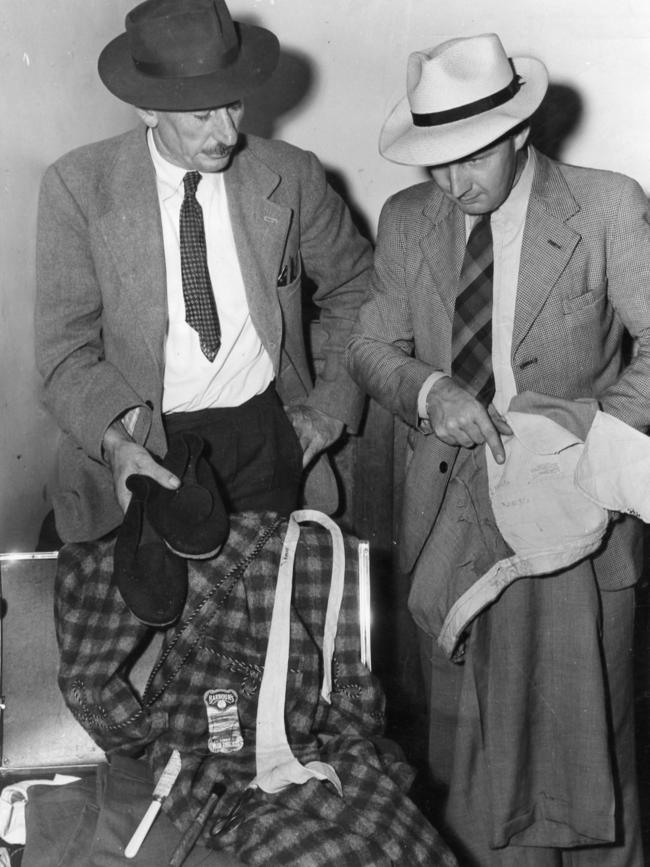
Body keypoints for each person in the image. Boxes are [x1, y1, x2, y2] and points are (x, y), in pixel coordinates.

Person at [347, 33, 650, 866]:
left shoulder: (607, 206)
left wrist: (589, 440)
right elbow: (371, 346)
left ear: (520, 130)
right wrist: (427, 390)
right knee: (472, 756)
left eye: (472, 156)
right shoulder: (408, 221)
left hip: (579, 530)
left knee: (596, 759)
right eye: (437, 161)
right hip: (456, 525)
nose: (454, 182)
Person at [35, 0, 372, 545]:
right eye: (202, 115)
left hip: (267, 429)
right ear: (148, 110)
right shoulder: (79, 188)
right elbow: (63, 352)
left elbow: (358, 288)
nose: (227, 132)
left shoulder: (292, 175)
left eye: (233, 105)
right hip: (149, 438)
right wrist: (119, 446)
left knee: (263, 622)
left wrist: (329, 409)